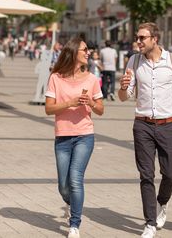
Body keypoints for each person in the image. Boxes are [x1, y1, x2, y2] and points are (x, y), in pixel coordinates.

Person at [118, 22, 172, 238]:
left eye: (142, 38)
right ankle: (150, 223)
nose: (138, 41)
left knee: (171, 174)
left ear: (155, 39)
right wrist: (122, 86)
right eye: (138, 37)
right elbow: (124, 96)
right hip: (142, 125)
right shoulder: (134, 61)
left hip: (168, 125)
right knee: (146, 175)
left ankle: (161, 202)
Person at [44, 37, 104, 238]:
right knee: (63, 186)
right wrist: (69, 102)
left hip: (84, 136)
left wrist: (91, 104)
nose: (88, 52)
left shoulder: (92, 79)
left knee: (76, 179)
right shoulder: (56, 77)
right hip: (62, 137)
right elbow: (48, 108)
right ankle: (72, 203)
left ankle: (75, 224)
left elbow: (101, 110)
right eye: (85, 50)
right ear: (73, 53)